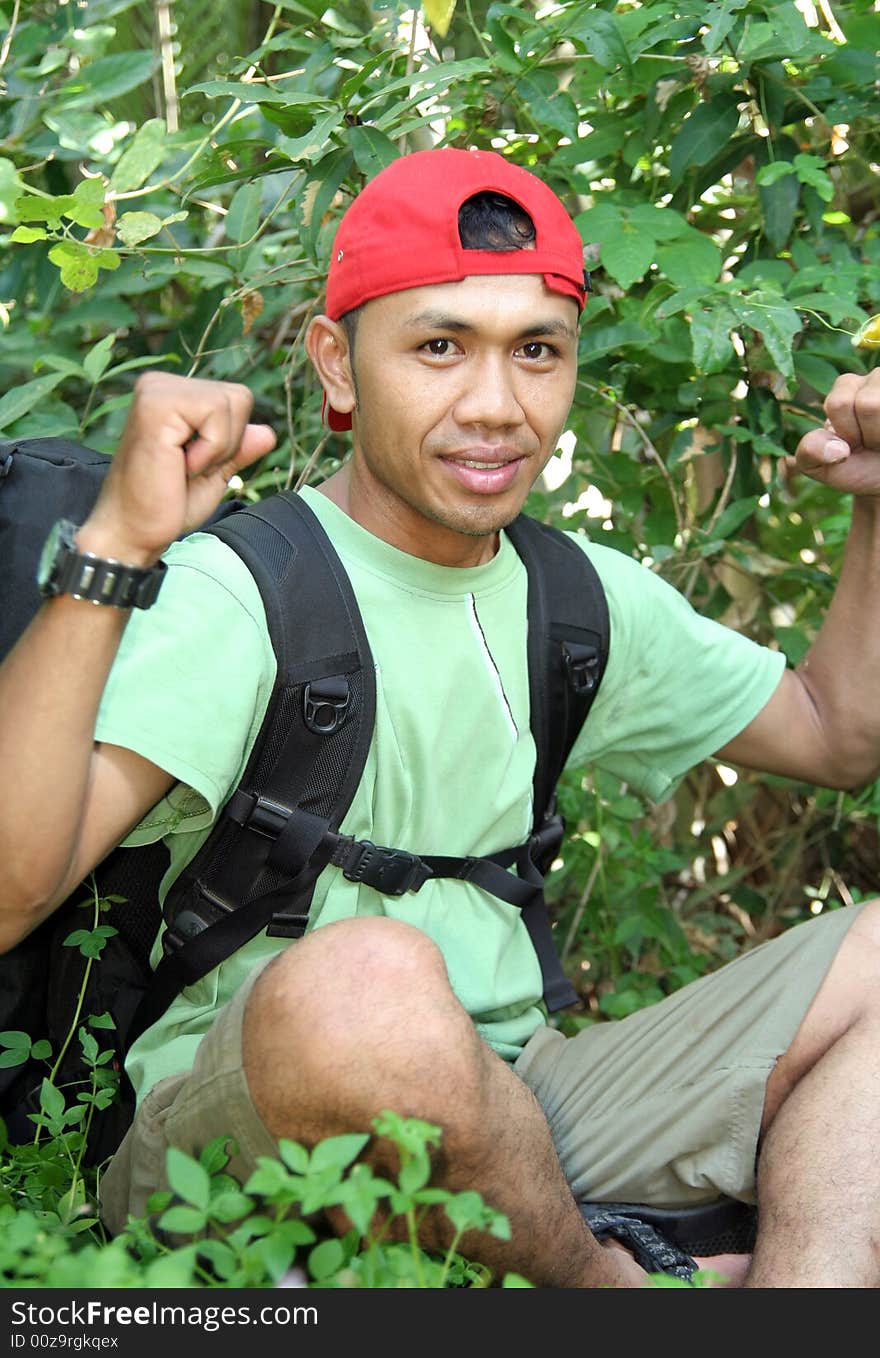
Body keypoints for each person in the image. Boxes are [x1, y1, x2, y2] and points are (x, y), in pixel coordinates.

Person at [2, 146, 880, 1290]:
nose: (495, 407)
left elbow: (835, 731)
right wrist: (117, 543)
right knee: (365, 981)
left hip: (520, 1084)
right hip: (242, 1114)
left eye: (536, 351)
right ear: (338, 363)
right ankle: (615, 1293)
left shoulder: (575, 598)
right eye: (437, 347)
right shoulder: (244, 594)